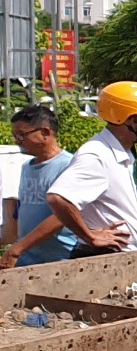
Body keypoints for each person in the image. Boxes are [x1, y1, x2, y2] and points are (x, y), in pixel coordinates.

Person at [47, 81, 137, 256]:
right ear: (134, 121)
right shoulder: (97, 155)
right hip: (101, 258)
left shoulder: (117, 152)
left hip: (116, 258)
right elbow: (58, 198)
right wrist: (90, 237)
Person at [2, 104, 77, 267]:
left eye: (22, 135)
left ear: (45, 132)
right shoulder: (26, 167)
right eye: (15, 136)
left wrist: (17, 249)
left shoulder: (69, 165)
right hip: (27, 260)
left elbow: (62, 216)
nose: (17, 141)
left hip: (60, 261)